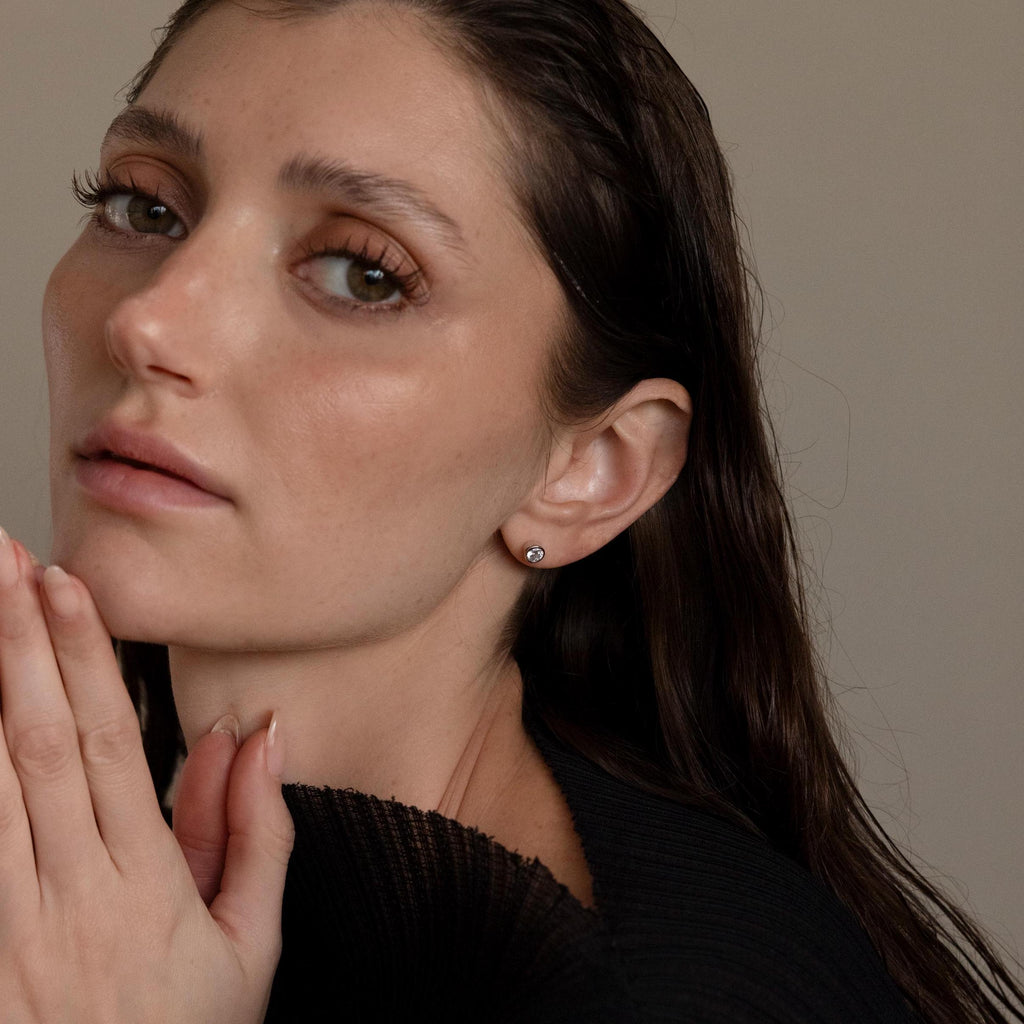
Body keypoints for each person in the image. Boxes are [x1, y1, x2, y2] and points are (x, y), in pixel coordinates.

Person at [0, 0, 1020, 1020]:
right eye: (144, 208)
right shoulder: (93, 912)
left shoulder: (678, 996)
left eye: (363, 274)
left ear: (590, 471)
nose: (149, 319)